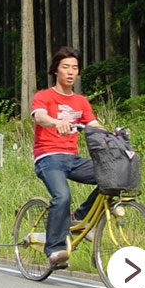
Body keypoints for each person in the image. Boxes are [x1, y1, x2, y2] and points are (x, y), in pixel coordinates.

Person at [31, 46, 103, 269]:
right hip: (48, 157)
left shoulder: (81, 102)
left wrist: (111, 134)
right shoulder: (44, 96)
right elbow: (40, 117)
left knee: (111, 176)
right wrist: (56, 122)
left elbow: (93, 124)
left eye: (75, 68)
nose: (71, 72)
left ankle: (79, 218)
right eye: (66, 67)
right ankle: (54, 250)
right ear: (56, 70)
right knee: (62, 196)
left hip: (72, 159)